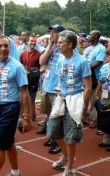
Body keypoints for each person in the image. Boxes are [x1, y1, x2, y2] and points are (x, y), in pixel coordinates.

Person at [47, 30, 92, 176]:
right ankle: (65, 156)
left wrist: (84, 107)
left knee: (70, 137)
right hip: (60, 98)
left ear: (70, 45)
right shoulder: (59, 58)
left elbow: (88, 87)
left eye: (60, 43)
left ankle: (70, 168)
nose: (57, 45)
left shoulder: (82, 61)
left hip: (75, 100)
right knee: (53, 131)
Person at [0, 35, 32, 176]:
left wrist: (27, 117)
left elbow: (24, 93)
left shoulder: (17, 67)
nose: (3, 49)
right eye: (0, 46)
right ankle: (15, 171)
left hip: (10, 108)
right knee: (8, 142)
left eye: (6, 46)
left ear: (10, 48)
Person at [38, 24, 66, 154]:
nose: (51, 35)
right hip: (47, 86)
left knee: (57, 117)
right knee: (48, 114)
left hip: (58, 89)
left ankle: (58, 142)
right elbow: (41, 62)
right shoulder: (52, 47)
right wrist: (50, 45)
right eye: (51, 32)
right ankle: (52, 138)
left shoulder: (66, 48)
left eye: (54, 32)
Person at [83, 30, 106, 129]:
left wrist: (86, 69)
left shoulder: (101, 48)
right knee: (85, 98)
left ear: (96, 36)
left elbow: (98, 62)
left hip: (95, 77)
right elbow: (83, 61)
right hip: (86, 76)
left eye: (91, 35)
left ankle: (93, 119)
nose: (89, 36)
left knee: (93, 99)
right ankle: (84, 117)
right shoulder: (88, 48)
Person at [20, 35, 42, 121]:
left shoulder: (39, 54)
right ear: (27, 42)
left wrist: (33, 72)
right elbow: (21, 65)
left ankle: (32, 118)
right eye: (31, 41)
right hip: (24, 80)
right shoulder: (23, 54)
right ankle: (21, 117)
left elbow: (41, 68)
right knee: (22, 99)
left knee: (32, 100)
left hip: (33, 81)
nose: (33, 43)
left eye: (34, 41)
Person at [95, 46, 110, 151]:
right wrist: (97, 93)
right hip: (105, 95)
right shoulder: (105, 67)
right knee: (105, 116)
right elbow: (100, 81)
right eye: (107, 55)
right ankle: (106, 140)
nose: (107, 57)